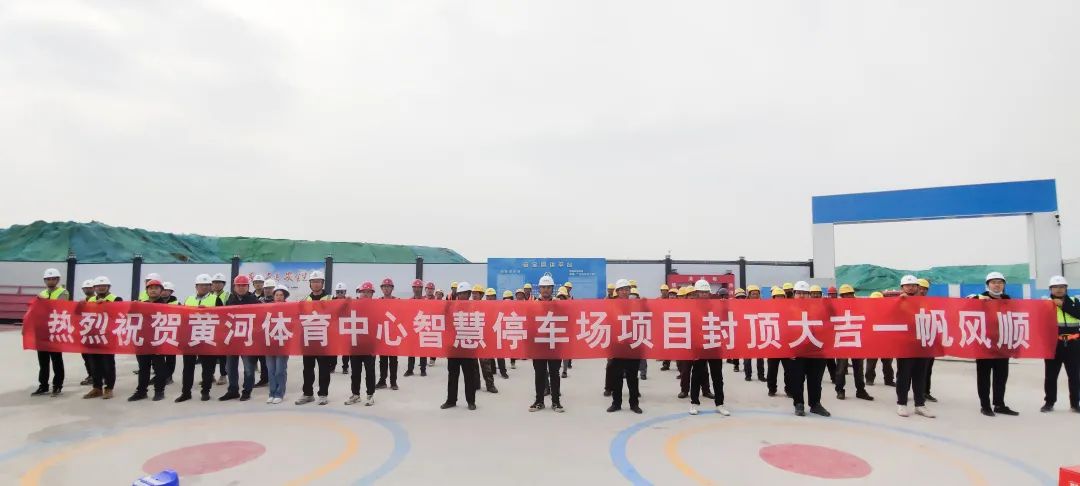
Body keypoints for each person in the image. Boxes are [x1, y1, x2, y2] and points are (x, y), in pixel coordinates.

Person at [972, 272, 1019, 416]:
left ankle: (999, 404)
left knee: (1001, 376)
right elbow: (964, 307)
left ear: (1004, 285)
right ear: (987, 285)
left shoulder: (1008, 300)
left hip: (1002, 344)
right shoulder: (979, 298)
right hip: (984, 344)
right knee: (984, 377)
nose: (997, 285)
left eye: (1000, 282)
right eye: (993, 282)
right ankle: (985, 406)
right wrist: (977, 300)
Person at [176, 274, 224, 402]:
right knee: (188, 367)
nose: (204, 287)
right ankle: (186, 393)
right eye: (201, 285)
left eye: (207, 285)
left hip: (208, 337)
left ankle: (205, 391)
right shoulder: (189, 299)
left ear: (210, 287)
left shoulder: (216, 300)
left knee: (207, 367)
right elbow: (183, 318)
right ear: (196, 286)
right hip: (190, 337)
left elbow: (222, 318)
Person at [787, 281, 830, 417]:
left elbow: (829, 324)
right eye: (799, 293)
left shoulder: (818, 309)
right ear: (794, 294)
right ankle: (798, 404)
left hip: (816, 349)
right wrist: (786, 350)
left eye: (805, 293)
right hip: (796, 349)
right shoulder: (787, 309)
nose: (801, 296)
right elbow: (782, 330)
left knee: (815, 379)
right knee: (797, 379)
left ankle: (815, 404)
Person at [688, 279, 731, 416]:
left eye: (706, 292)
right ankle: (694, 403)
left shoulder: (716, 306)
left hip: (714, 344)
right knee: (697, 375)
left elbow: (725, 318)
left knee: (717, 376)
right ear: (696, 293)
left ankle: (720, 404)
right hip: (699, 346)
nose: (704, 294)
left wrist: (725, 306)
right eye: (701, 292)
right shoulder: (691, 308)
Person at [895, 275, 935, 418]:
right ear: (902, 287)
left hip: (921, 344)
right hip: (905, 345)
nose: (911, 288)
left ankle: (920, 404)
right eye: (907, 285)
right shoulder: (897, 301)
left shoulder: (925, 302)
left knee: (920, 376)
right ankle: (901, 403)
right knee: (903, 375)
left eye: (913, 285)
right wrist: (900, 301)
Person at [296, 271, 334, 405]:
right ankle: (307, 394)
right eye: (313, 281)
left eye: (318, 281)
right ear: (310, 284)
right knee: (307, 369)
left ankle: (323, 394)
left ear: (322, 283)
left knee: (324, 369)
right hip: (309, 339)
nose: (316, 284)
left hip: (324, 339)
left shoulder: (331, 299)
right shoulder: (305, 300)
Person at [221, 275, 261, 402]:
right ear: (234, 287)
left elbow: (260, 320)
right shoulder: (230, 300)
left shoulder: (254, 301)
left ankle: (247, 391)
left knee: (249, 368)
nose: (241, 288)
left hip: (248, 340)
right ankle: (232, 390)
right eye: (239, 285)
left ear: (248, 287)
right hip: (232, 339)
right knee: (230, 367)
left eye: (244, 285)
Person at [128, 279, 169, 402]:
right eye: (150, 288)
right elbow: (130, 317)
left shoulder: (166, 306)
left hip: (158, 341)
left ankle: (159, 391)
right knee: (143, 368)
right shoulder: (141, 304)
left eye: (156, 288)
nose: (153, 290)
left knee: (159, 368)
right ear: (146, 291)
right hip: (142, 340)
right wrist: (133, 307)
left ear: (161, 291)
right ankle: (141, 392)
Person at [1044, 275, 1080, 413]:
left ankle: (1075, 404)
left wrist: (1063, 305)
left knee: (1074, 376)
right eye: (1055, 287)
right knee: (1051, 376)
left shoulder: (1075, 301)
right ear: (1050, 289)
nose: (1059, 289)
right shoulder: (1045, 303)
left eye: (1062, 287)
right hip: (1053, 344)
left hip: (1073, 343)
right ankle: (1049, 402)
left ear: (1066, 288)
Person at [529, 275, 565, 413]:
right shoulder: (532, 305)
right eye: (543, 287)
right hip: (538, 345)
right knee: (540, 374)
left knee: (555, 374)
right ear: (539, 289)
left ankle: (556, 402)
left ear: (552, 289)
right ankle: (539, 401)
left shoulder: (558, 304)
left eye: (548, 287)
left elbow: (566, 321)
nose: (545, 290)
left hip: (554, 344)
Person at [441, 282, 479, 410]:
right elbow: (444, 318)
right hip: (453, 346)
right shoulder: (452, 306)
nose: (462, 296)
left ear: (469, 294)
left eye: (464, 293)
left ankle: (471, 401)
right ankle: (451, 400)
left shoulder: (474, 307)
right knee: (452, 375)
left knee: (469, 376)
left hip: (468, 346)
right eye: (460, 293)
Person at [607, 279, 642, 414]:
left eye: (626, 289)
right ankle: (616, 403)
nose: (624, 292)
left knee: (632, 377)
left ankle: (634, 404)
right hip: (617, 345)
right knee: (616, 377)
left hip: (632, 345)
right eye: (621, 289)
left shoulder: (635, 305)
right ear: (617, 292)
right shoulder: (612, 306)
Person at [833, 284, 873, 401]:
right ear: (841, 296)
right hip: (842, 341)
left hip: (856, 340)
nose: (848, 297)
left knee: (859, 368)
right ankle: (840, 390)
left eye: (849, 294)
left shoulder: (860, 305)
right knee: (841, 368)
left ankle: (860, 390)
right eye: (845, 295)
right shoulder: (836, 307)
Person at [83, 276, 120, 400]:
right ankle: (97, 387)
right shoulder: (90, 300)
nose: (101, 288)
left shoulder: (116, 299)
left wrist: (106, 305)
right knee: (94, 364)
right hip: (93, 336)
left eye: (104, 286)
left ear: (108, 287)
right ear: (94, 288)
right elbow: (80, 314)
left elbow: (120, 313)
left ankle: (109, 388)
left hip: (108, 337)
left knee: (108, 363)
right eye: (98, 286)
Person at [33, 268, 68, 397]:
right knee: (43, 361)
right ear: (45, 280)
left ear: (58, 280)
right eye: (48, 279)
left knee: (56, 360)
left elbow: (60, 306)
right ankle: (43, 385)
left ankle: (57, 385)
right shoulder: (42, 293)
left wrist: (42, 301)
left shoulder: (63, 292)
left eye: (53, 279)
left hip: (55, 331)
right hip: (43, 331)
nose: (51, 281)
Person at [346, 282, 378, 406]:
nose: (365, 294)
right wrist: (345, 302)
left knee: (369, 371)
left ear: (372, 294)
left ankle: (370, 395)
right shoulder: (353, 305)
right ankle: (355, 394)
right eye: (363, 292)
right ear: (359, 293)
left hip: (369, 345)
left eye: (368, 292)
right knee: (355, 372)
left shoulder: (376, 307)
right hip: (355, 343)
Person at [265, 284, 291, 404]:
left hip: (283, 344)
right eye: (277, 295)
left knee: (280, 370)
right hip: (270, 343)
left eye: (281, 295)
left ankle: (279, 393)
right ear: (273, 296)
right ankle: (272, 393)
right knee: (271, 370)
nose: (279, 297)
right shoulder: (267, 307)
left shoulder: (290, 308)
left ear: (285, 296)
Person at [376, 278, 400, 390]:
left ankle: (393, 382)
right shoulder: (377, 301)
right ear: (381, 288)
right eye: (384, 287)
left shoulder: (398, 301)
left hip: (394, 334)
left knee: (393, 360)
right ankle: (382, 381)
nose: (386, 288)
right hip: (382, 334)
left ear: (392, 288)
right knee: (383, 360)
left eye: (388, 286)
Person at [766, 286, 790, 398]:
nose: (780, 298)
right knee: (772, 369)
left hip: (786, 344)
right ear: (773, 298)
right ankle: (771, 388)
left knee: (789, 370)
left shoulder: (789, 310)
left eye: (781, 296)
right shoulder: (768, 310)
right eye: (777, 296)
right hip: (773, 343)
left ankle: (789, 389)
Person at [917, 278, 938, 402]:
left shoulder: (930, 303)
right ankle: (907, 393)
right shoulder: (907, 301)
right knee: (909, 371)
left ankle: (925, 392)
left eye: (925, 289)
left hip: (928, 341)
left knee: (927, 369)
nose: (922, 291)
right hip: (914, 343)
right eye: (920, 288)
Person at [405, 279, 429, 377]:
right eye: (414, 287)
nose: (416, 289)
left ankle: (423, 370)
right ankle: (410, 369)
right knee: (411, 350)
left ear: (421, 288)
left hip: (423, 327)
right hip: (412, 328)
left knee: (423, 350)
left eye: (418, 287)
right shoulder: (409, 301)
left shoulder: (426, 301)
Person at [742, 285, 766, 382]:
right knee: (747, 357)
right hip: (747, 333)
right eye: (753, 294)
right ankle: (748, 375)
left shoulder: (763, 305)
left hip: (759, 332)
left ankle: (761, 375)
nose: (755, 296)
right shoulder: (743, 305)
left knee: (760, 357)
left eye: (757, 294)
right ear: (749, 295)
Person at [210, 273, 230, 384]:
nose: (217, 285)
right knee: (210, 353)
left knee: (222, 354)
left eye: (219, 283)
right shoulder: (209, 295)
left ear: (224, 284)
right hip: (211, 327)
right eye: (215, 282)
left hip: (223, 328)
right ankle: (210, 374)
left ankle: (223, 375)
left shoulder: (228, 295)